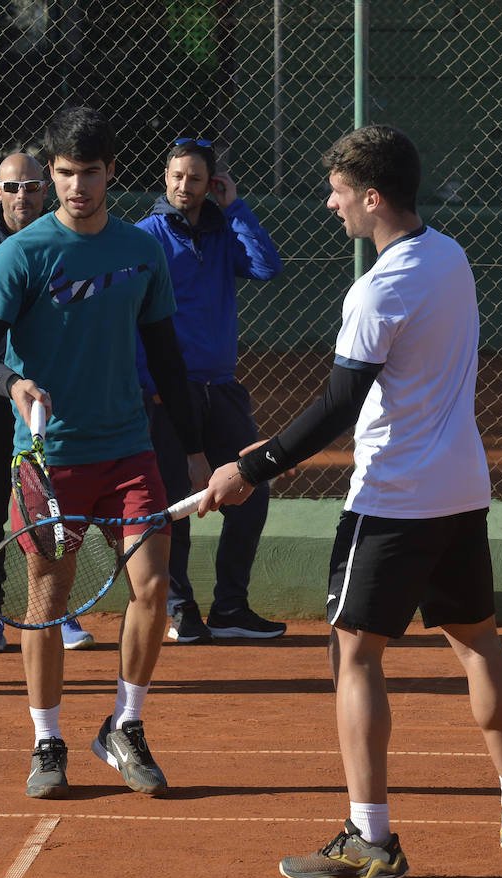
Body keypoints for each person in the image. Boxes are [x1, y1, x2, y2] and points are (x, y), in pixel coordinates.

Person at [200, 125, 502, 878]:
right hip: (461, 491)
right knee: (478, 643)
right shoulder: (451, 256)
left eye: (337, 192)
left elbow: (335, 406)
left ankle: (371, 838)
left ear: (371, 197)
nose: (330, 204)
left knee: (352, 654)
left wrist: (250, 468)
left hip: (393, 498)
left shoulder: (379, 289)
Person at [0, 105, 209, 799]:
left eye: (89, 174)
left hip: (130, 448)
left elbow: (165, 354)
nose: (76, 187)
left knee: (154, 590)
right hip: (51, 458)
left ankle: (124, 727)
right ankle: (47, 741)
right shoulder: (22, 253)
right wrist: (11, 384)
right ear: (52, 172)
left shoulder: (140, 250)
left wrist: (191, 450)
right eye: (64, 174)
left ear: (111, 173)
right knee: (48, 596)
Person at [0, 152, 94, 653]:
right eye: (12, 187)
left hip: (47, 401)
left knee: (51, 504)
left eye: (31, 186)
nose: (22, 196)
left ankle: (56, 610)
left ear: (44, 188)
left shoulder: (64, 240)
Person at [136, 137, 286, 643]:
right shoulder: (146, 236)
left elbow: (267, 266)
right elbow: (129, 316)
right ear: (165, 178)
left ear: (210, 184)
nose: (184, 186)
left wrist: (236, 206)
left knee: (253, 486)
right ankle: (181, 610)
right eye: (177, 176)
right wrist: (151, 383)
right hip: (166, 393)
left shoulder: (225, 230)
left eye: (195, 179)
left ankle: (230, 608)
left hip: (220, 389)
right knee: (175, 500)